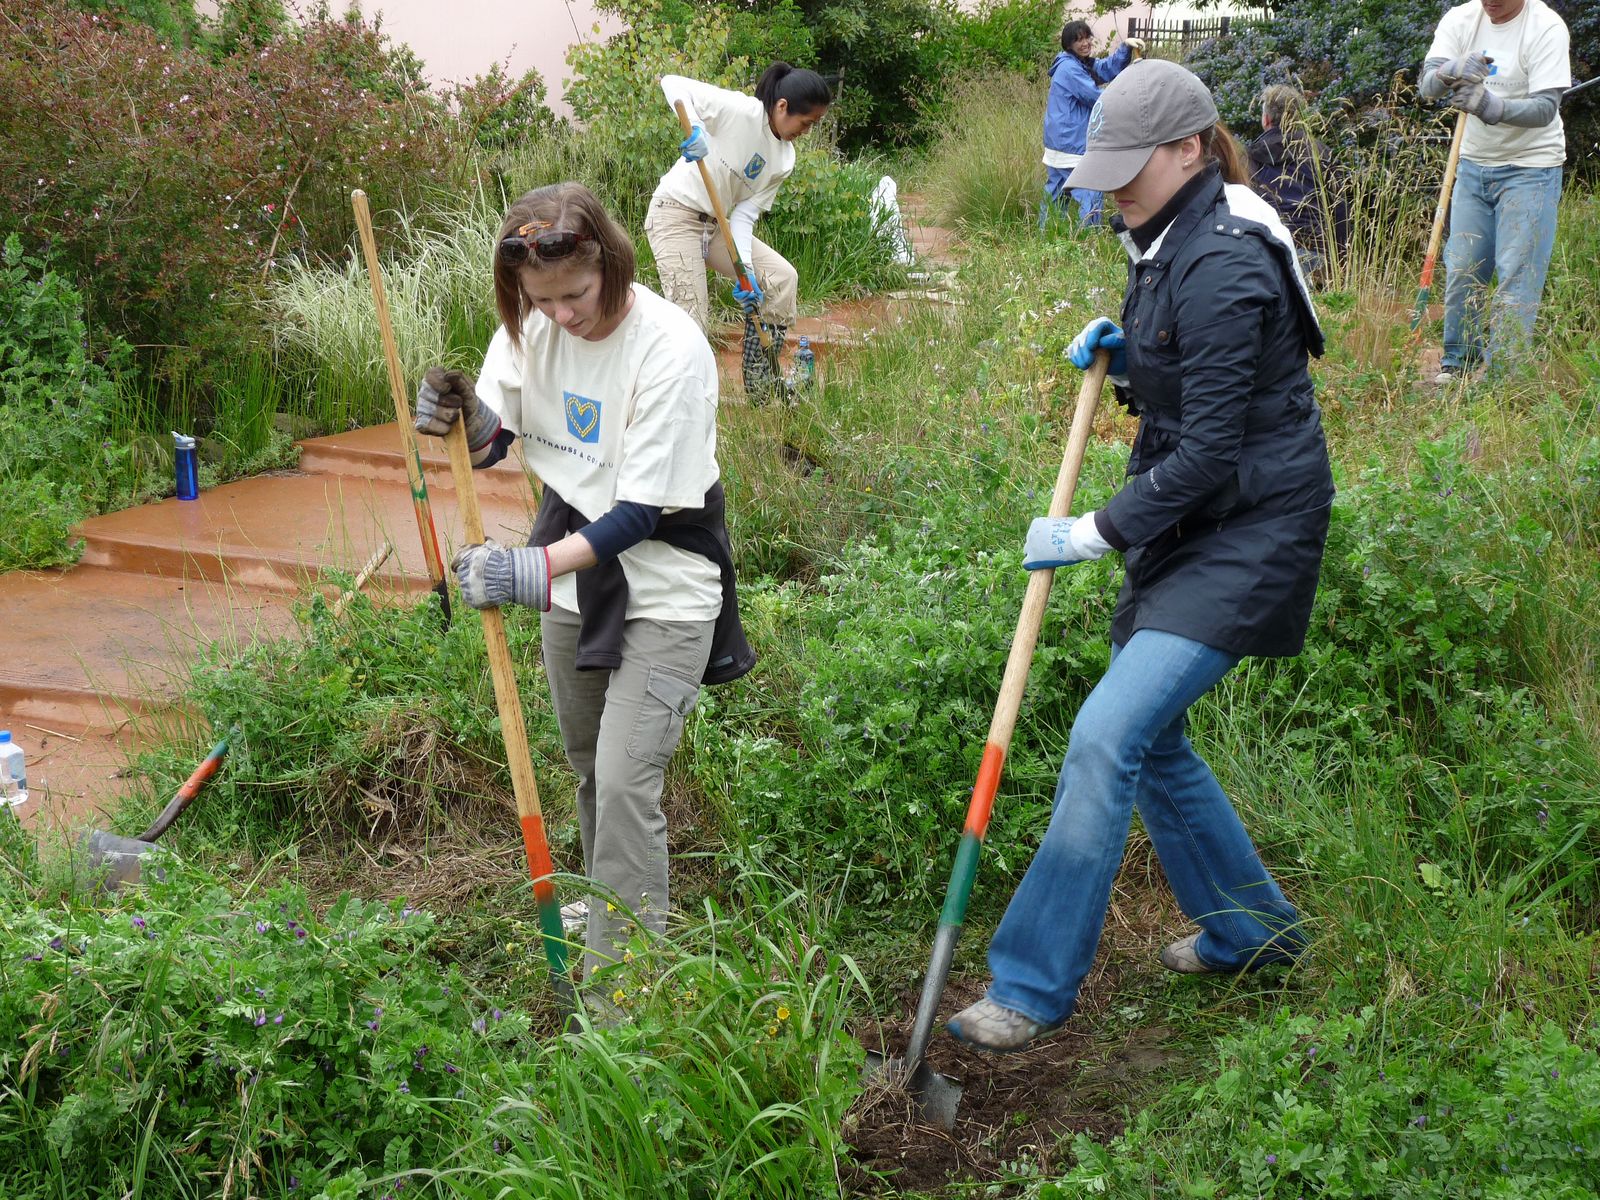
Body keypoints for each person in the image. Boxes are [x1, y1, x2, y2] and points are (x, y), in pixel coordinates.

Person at [946, 60, 1334, 1054]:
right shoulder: (1168, 234)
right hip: (1191, 523)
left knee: (1105, 736)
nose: (1112, 185)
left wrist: (1089, 532)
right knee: (1152, 741)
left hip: (1248, 531)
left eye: (1128, 165)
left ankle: (1030, 984)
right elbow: (1198, 382)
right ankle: (1254, 932)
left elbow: (1209, 451)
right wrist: (1130, 358)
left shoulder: (1225, 258)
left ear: (1189, 149)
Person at [414, 182, 756, 985]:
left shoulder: (670, 348)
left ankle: (625, 972)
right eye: (542, 299)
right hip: (575, 585)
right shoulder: (529, 324)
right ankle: (611, 898)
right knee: (590, 763)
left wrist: (526, 570)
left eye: (576, 293)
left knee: (628, 778)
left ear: (611, 263)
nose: (561, 315)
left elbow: (636, 514)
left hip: (667, 585)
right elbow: (495, 441)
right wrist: (464, 418)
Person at [645, 63, 833, 400]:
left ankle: (760, 385)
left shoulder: (784, 159)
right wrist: (697, 129)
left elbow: (744, 216)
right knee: (692, 323)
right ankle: (687, 403)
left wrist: (744, 272)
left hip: (715, 226)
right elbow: (673, 82)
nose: (806, 131)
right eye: (806, 123)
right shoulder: (744, 112)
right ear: (782, 106)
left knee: (781, 278)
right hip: (675, 215)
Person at [1420, 0, 1571, 385]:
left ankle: (1505, 379)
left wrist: (1492, 105)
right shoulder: (1461, 20)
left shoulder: (1546, 27)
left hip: (1532, 167)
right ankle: (1458, 364)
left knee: (1516, 275)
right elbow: (1426, 86)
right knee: (1463, 266)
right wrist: (1450, 71)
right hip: (1474, 164)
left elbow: (1545, 108)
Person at [1041, 21, 1142, 229]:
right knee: (1090, 192)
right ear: (1068, 44)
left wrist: (1125, 48)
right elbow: (1096, 97)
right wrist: (1134, 96)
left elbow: (1105, 68)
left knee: (1056, 197)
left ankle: (1046, 236)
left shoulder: (1079, 63)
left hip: (1059, 144)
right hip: (1070, 145)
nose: (1085, 43)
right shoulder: (1070, 69)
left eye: (1087, 37)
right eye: (1079, 40)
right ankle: (1088, 238)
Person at [1247, 84, 1350, 286]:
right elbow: (1340, 209)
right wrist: (1341, 262)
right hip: (1316, 254)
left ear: (1266, 119)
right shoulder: (1321, 153)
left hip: (1267, 254)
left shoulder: (1249, 159)